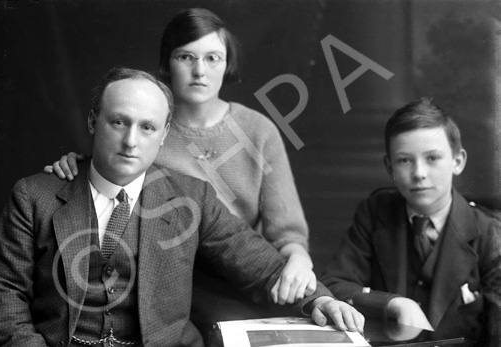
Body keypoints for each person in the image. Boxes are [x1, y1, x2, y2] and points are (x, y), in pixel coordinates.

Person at [0, 67, 364, 347]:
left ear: (163, 135)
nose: (131, 140)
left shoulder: (191, 197)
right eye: (118, 122)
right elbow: (2, 292)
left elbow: (259, 265)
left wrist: (320, 299)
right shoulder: (35, 196)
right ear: (94, 121)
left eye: (147, 127)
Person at [44, 8, 316, 335]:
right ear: (166, 63)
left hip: (241, 275)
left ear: (228, 63)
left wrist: (300, 258)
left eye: (213, 58)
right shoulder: (146, 128)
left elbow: (287, 234)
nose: (199, 70)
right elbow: (108, 170)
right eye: (186, 57)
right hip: (162, 278)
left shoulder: (258, 131)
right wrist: (76, 165)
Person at [321, 98, 501, 346]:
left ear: (457, 161)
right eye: (405, 160)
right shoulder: (375, 214)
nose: (419, 173)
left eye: (433, 158)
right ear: (389, 166)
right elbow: (334, 283)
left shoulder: (490, 233)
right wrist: (391, 302)